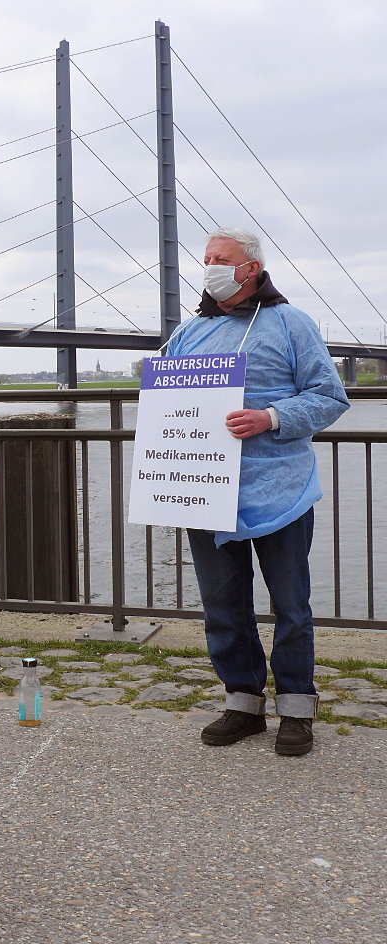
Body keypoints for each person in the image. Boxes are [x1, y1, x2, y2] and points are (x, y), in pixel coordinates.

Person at [166, 227, 349, 756]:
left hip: (278, 488)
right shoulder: (189, 333)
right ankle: (242, 700)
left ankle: (296, 706)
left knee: (290, 603)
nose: (210, 268)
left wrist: (271, 416)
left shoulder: (292, 324)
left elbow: (329, 395)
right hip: (203, 488)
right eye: (205, 260)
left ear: (251, 267)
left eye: (221, 259)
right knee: (222, 602)